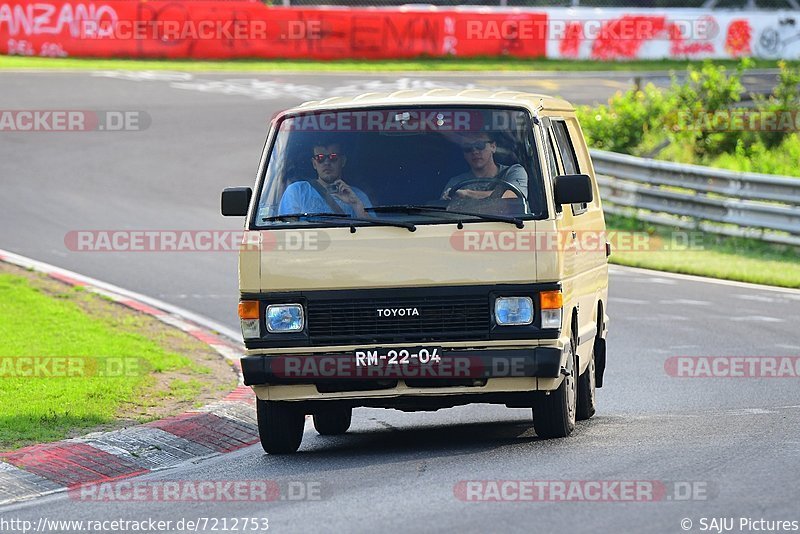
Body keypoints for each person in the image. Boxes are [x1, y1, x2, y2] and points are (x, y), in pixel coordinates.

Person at [279, 141, 371, 217]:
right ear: (314, 163)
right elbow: (287, 230)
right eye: (320, 158)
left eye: (333, 157)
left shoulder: (357, 196)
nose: (326, 162)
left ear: (343, 161)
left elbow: (372, 233)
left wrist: (355, 204)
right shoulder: (297, 192)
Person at [441, 132, 528, 202]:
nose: (474, 151)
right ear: (464, 154)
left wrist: (467, 194)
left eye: (479, 145)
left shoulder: (514, 172)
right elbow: (444, 213)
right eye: (468, 148)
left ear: (493, 147)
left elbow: (512, 198)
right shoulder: (455, 182)